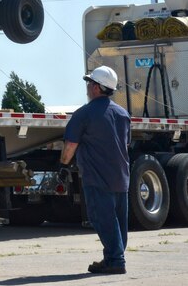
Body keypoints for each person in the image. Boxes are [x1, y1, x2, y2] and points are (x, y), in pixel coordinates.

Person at [60, 65, 131, 275]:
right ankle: (112, 257)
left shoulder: (84, 114)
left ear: (97, 88)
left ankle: (116, 260)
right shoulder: (122, 113)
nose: (88, 87)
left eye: (90, 83)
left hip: (97, 178)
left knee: (101, 217)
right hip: (121, 177)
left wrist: (63, 165)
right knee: (118, 221)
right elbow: (124, 144)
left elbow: (70, 146)